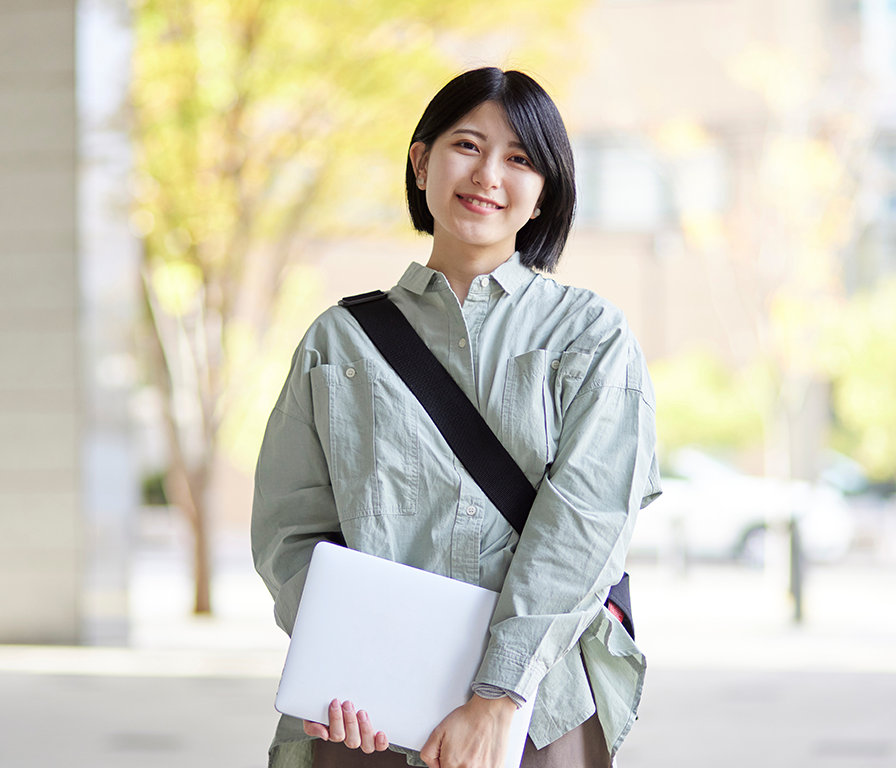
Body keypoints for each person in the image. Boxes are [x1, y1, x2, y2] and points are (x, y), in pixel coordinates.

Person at [251, 67, 661, 768]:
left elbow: (587, 526)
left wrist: (498, 696)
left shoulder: (591, 336)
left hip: (535, 712)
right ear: (422, 162)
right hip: (365, 718)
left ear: (543, 193)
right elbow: (290, 532)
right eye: (467, 145)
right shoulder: (338, 342)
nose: (488, 175)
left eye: (519, 159)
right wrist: (348, 663)